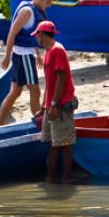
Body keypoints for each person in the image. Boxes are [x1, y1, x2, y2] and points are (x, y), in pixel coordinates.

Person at [0, 0, 57, 126]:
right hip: (23, 56)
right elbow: (12, 33)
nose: (48, 6)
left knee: (15, 92)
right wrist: (6, 56)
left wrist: (37, 54)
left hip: (25, 54)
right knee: (35, 91)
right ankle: (39, 124)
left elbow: (29, 35)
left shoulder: (33, 9)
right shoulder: (27, 11)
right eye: (47, 2)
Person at [33, 20, 77, 184]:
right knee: (52, 144)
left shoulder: (57, 50)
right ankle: (50, 181)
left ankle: (66, 181)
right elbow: (50, 83)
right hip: (51, 106)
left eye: (37, 35)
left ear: (42, 35)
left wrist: (53, 105)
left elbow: (61, 78)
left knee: (64, 145)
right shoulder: (48, 51)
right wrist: (44, 107)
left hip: (60, 106)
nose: (36, 39)